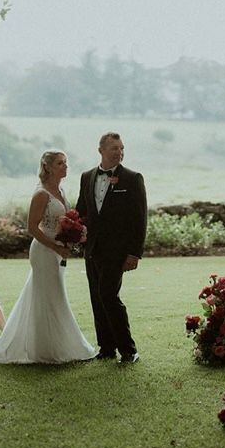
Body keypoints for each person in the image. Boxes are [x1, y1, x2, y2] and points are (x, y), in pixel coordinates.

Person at [0, 151, 97, 363]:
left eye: (66, 162)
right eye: (60, 163)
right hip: (44, 250)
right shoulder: (41, 194)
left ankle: (49, 342)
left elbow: (63, 220)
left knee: (50, 294)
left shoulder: (60, 189)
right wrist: (55, 247)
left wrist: (72, 235)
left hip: (57, 248)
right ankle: (46, 348)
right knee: (49, 295)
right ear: (47, 167)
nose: (66, 166)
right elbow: (32, 227)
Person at [74, 132, 148, 363]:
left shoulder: (132, 178)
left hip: (117, 251)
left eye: (122, 148)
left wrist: (134, 253)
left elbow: (140, 219)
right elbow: (82, 212)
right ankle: (106, 347)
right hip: (92, 249)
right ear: (101, 151)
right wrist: (73, 231)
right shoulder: (87, 177)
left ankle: (128, 349)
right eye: (114, 148)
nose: (120, 152)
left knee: (108, 295)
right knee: (97, 297)